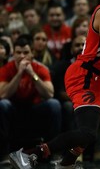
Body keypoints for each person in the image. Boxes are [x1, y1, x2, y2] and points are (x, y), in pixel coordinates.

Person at [8, 0, 100, 169]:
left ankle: (66, 162)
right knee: (88, 132)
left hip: (96, 77)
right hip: (84, 77)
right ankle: (28, 154)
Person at [0, 35, 61, 167]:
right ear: (13, 54)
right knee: (2, 104)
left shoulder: (41, 68)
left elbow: (50, 94)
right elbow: (3, 94)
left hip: (34, 109)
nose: (22, 56)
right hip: (13, 109)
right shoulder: (6, 69)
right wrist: (19, 74)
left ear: (32, 53)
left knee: (54, 104)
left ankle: (53, 152)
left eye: (26, 52)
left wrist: (32, 74)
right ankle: (4, 154)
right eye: (18, 52)